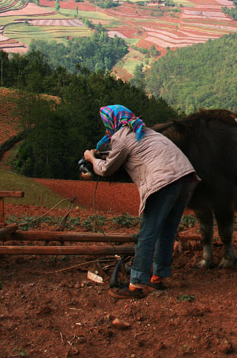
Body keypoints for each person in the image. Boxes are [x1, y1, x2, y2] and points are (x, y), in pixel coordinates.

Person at [82, 104, 198, 299]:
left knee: (147, 232)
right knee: (167, 230)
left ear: (112, 122)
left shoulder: (121, 138)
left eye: (106, 124)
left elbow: (105, 169)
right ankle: (158, 277)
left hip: (165, 182)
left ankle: (136, 283)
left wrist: (91, 158)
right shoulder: (144, 131)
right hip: (186, 179)